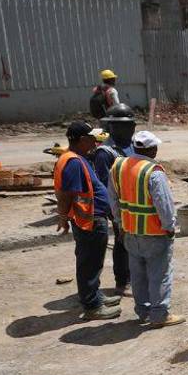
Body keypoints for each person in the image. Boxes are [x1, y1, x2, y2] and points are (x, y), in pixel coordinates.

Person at [109, 130, 184, 329]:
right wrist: (169, 227)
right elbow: (164, 205)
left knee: (138, 275)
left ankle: (143, 311)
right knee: (160, 275)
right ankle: (159, 315)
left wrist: (120, 223)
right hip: (154, 233)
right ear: (152, 149)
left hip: (130, 232)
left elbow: (113, 200)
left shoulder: (118, 166)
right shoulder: (154, 172)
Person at [54, 121, 120, 320]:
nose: (95, 142)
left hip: (90, 218)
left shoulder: (75, 158)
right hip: (89, 220)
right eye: (92, 138)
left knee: (93, 262)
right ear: (82, 140)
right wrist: (63, 217)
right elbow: (66, 194)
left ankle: (95, 296)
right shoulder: (73, 162)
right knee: (89, 263)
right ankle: (92, 306)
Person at [89, 121, 131, 297]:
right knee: (122, 244)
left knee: (135, 244)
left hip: (136, 205)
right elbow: (106, 185)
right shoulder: (105, 153)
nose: (131, 129)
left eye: (132, 125)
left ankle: (134, 277)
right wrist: (114, 213)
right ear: (113, 127)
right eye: (126, 126)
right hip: (119, 206)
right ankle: (122, 282)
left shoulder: (131, 145)